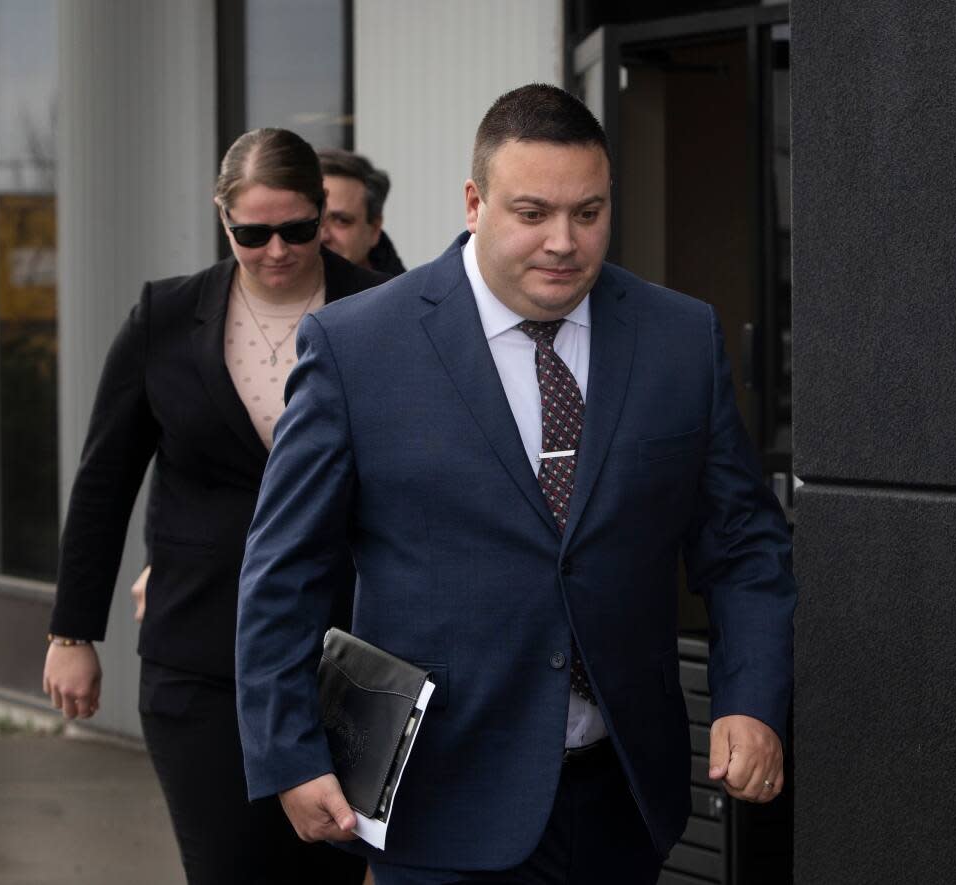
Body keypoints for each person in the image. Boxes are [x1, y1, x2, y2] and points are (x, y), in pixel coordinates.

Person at [235, 85, 796, 884]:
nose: (564, 242)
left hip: (624, 800)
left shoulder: (679, 338)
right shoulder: (357, 348)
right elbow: (282, 575)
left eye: (589, 212)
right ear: (475, 202)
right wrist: (288, 751)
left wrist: (752, 696)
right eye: (532, 213)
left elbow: (744, 544)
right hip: (440, 801)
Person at [42, 128, 380, 885]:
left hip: (346, 654)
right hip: (200, 653)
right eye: (251, 233)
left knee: (322, 872)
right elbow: (105, 479)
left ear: (324, 214)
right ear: (221, 218)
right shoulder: (166, 316)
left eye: (297, 229)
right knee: (227, 867)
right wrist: (72, 629)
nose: (276, 250)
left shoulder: (376, 311)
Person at [318, 147, 407, 276]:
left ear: (374, 229)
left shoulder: (405, 295)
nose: (322, 236)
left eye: (341, 220)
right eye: (311, 220)